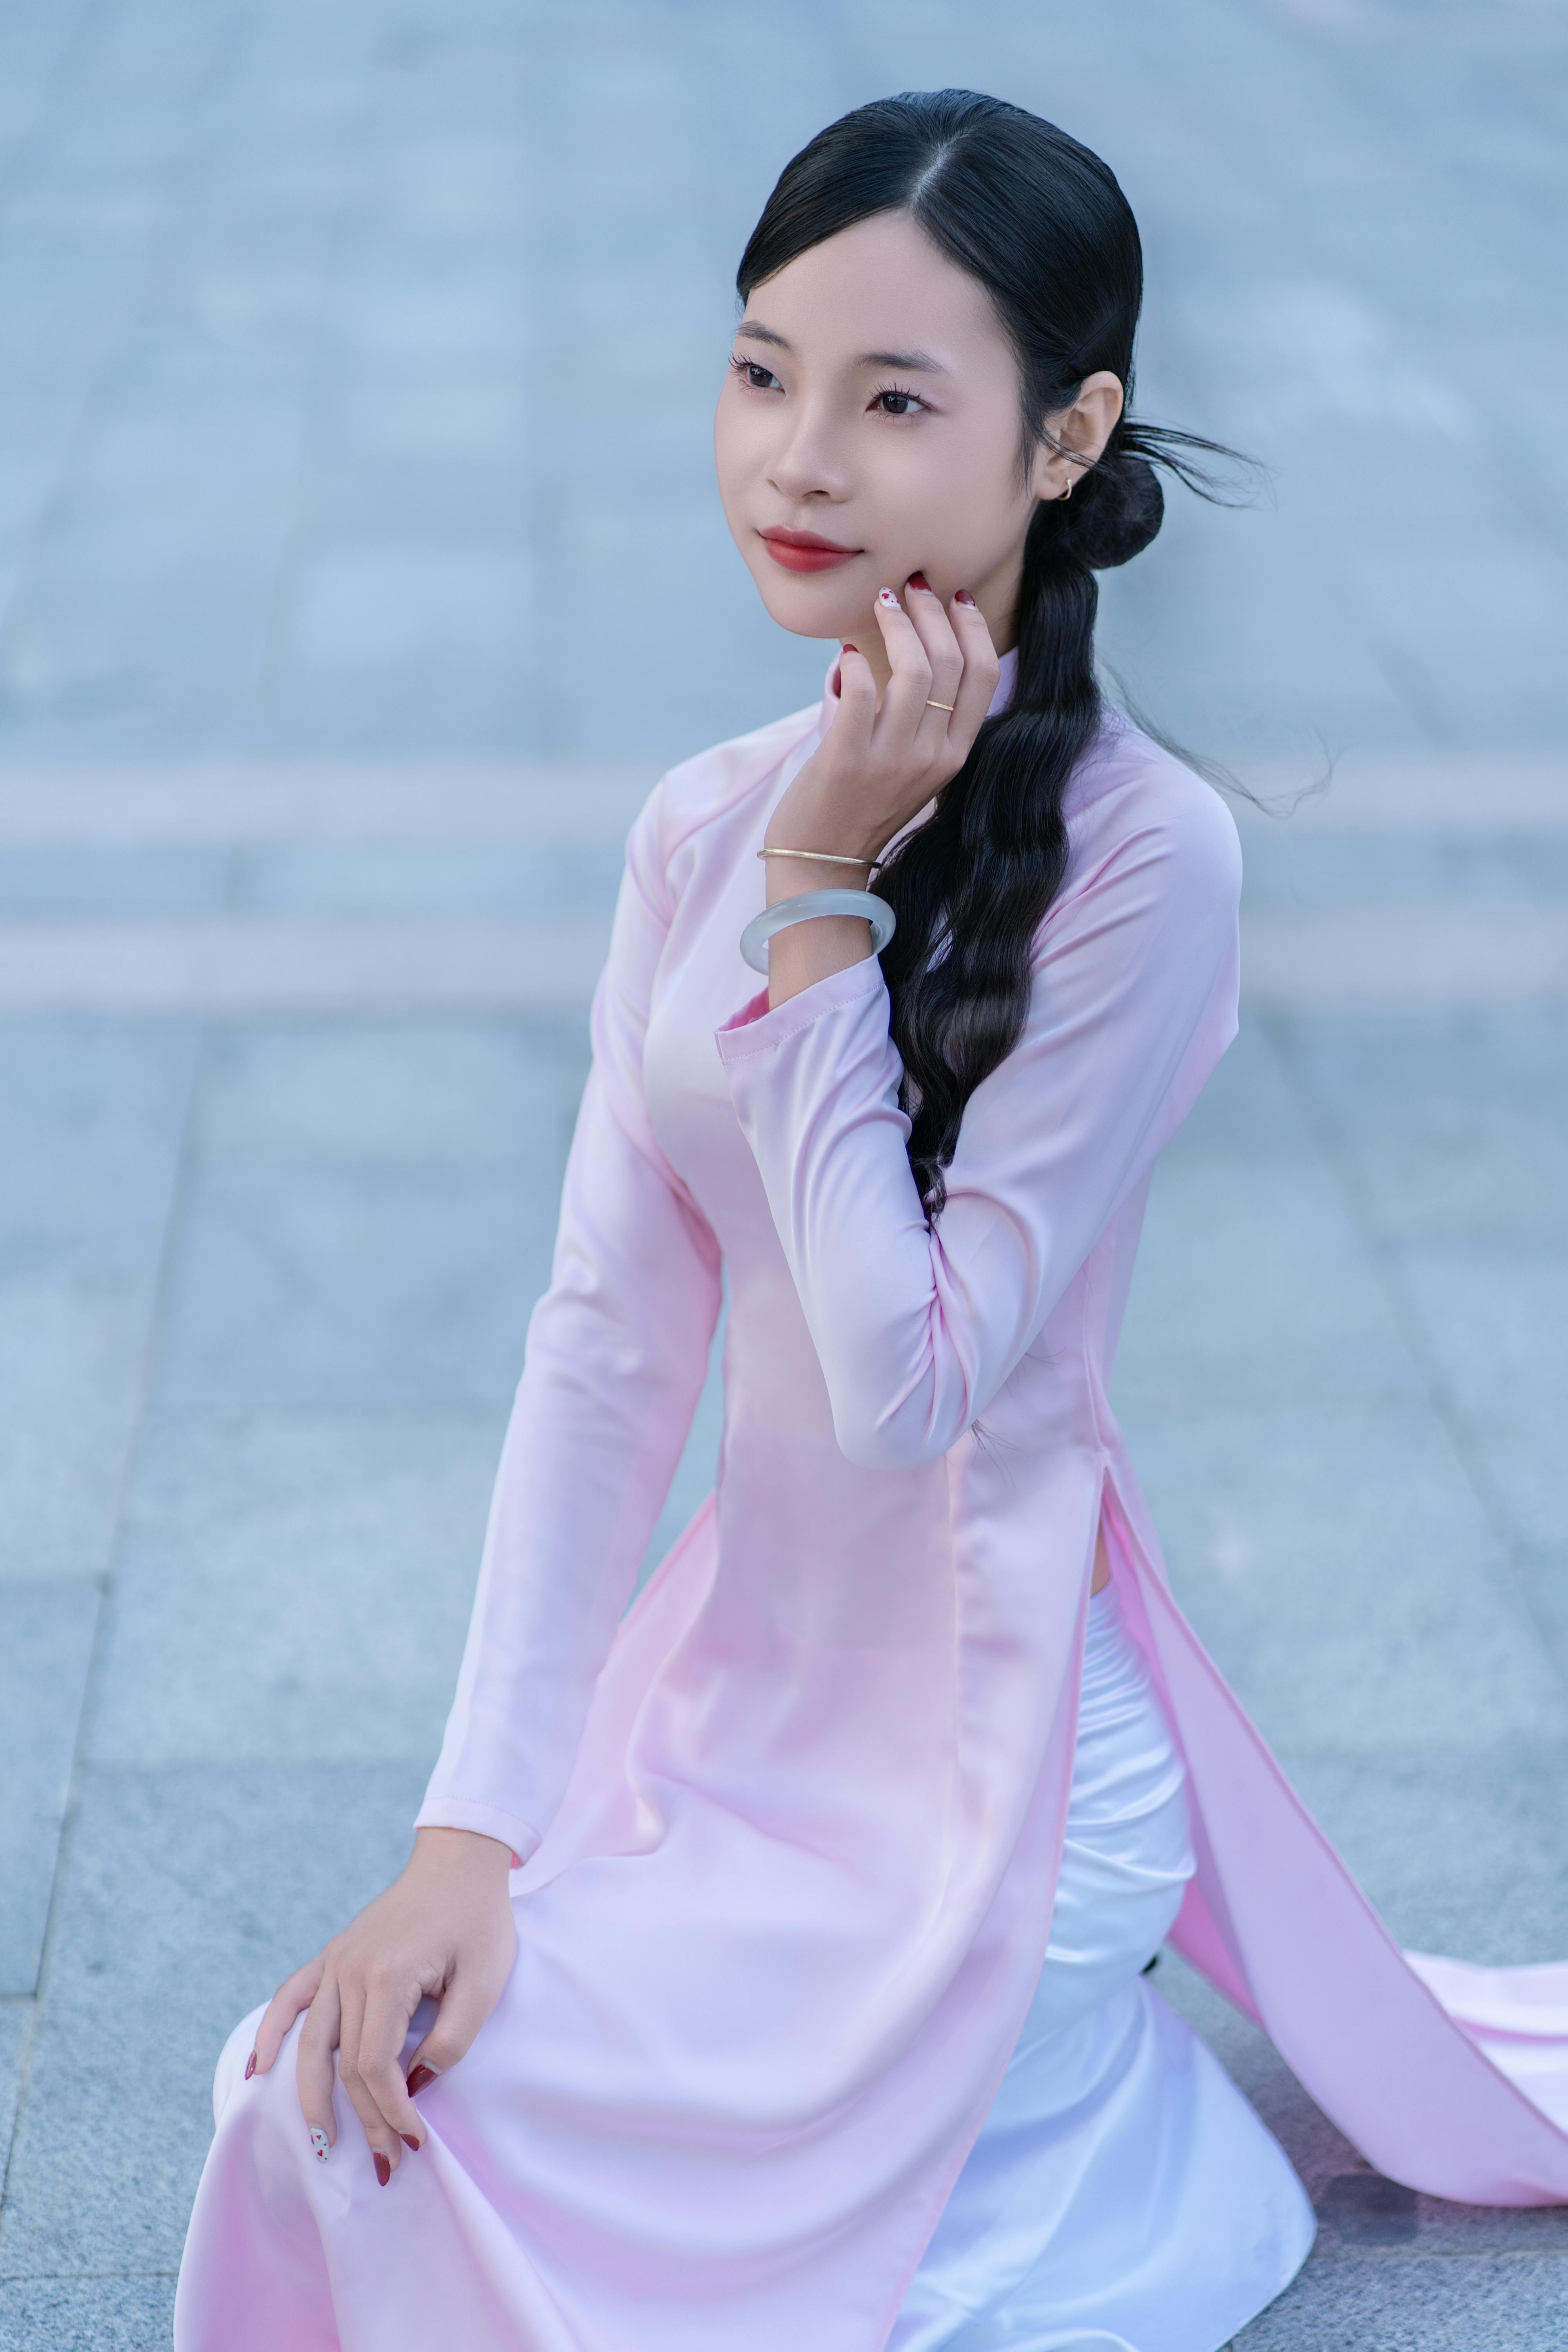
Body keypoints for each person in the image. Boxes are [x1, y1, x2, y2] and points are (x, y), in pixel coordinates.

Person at [175, 91, 1568, 2352]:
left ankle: (1097, 2116)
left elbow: (911, 1383)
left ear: (1066, 431)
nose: (796, 461)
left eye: (893, 398)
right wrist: (469, 1836)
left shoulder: (1145, 862)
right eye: (761, 371)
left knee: (566, 2199)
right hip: (721, 1732)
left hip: (989, 1787)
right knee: (304, 2112)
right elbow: (605, 1351)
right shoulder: (696, 818)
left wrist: (824, 904)